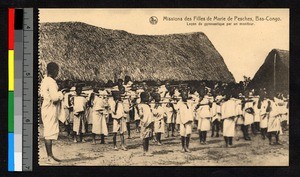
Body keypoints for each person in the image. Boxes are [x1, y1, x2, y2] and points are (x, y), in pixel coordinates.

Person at [40, 62, 64, 163]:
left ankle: (51, 155)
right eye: (57, 71)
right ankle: (49, 157)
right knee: (49, 133)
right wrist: (61, 94)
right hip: (50, 108)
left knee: (49, 131)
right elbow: (54, 98)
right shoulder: (51, 82)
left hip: (46, 108)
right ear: (54, 70)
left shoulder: (45, 80)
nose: (57, 73)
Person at [138, 92, 154, 156]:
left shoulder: (146, 105)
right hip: (144, 123)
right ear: (143, 98)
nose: (148, 98)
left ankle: (146, 150)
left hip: (149, 122)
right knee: (144, 137)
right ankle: (145, 151)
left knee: (147, 137)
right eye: (147, 97)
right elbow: (141, 115)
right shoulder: (140, 106)